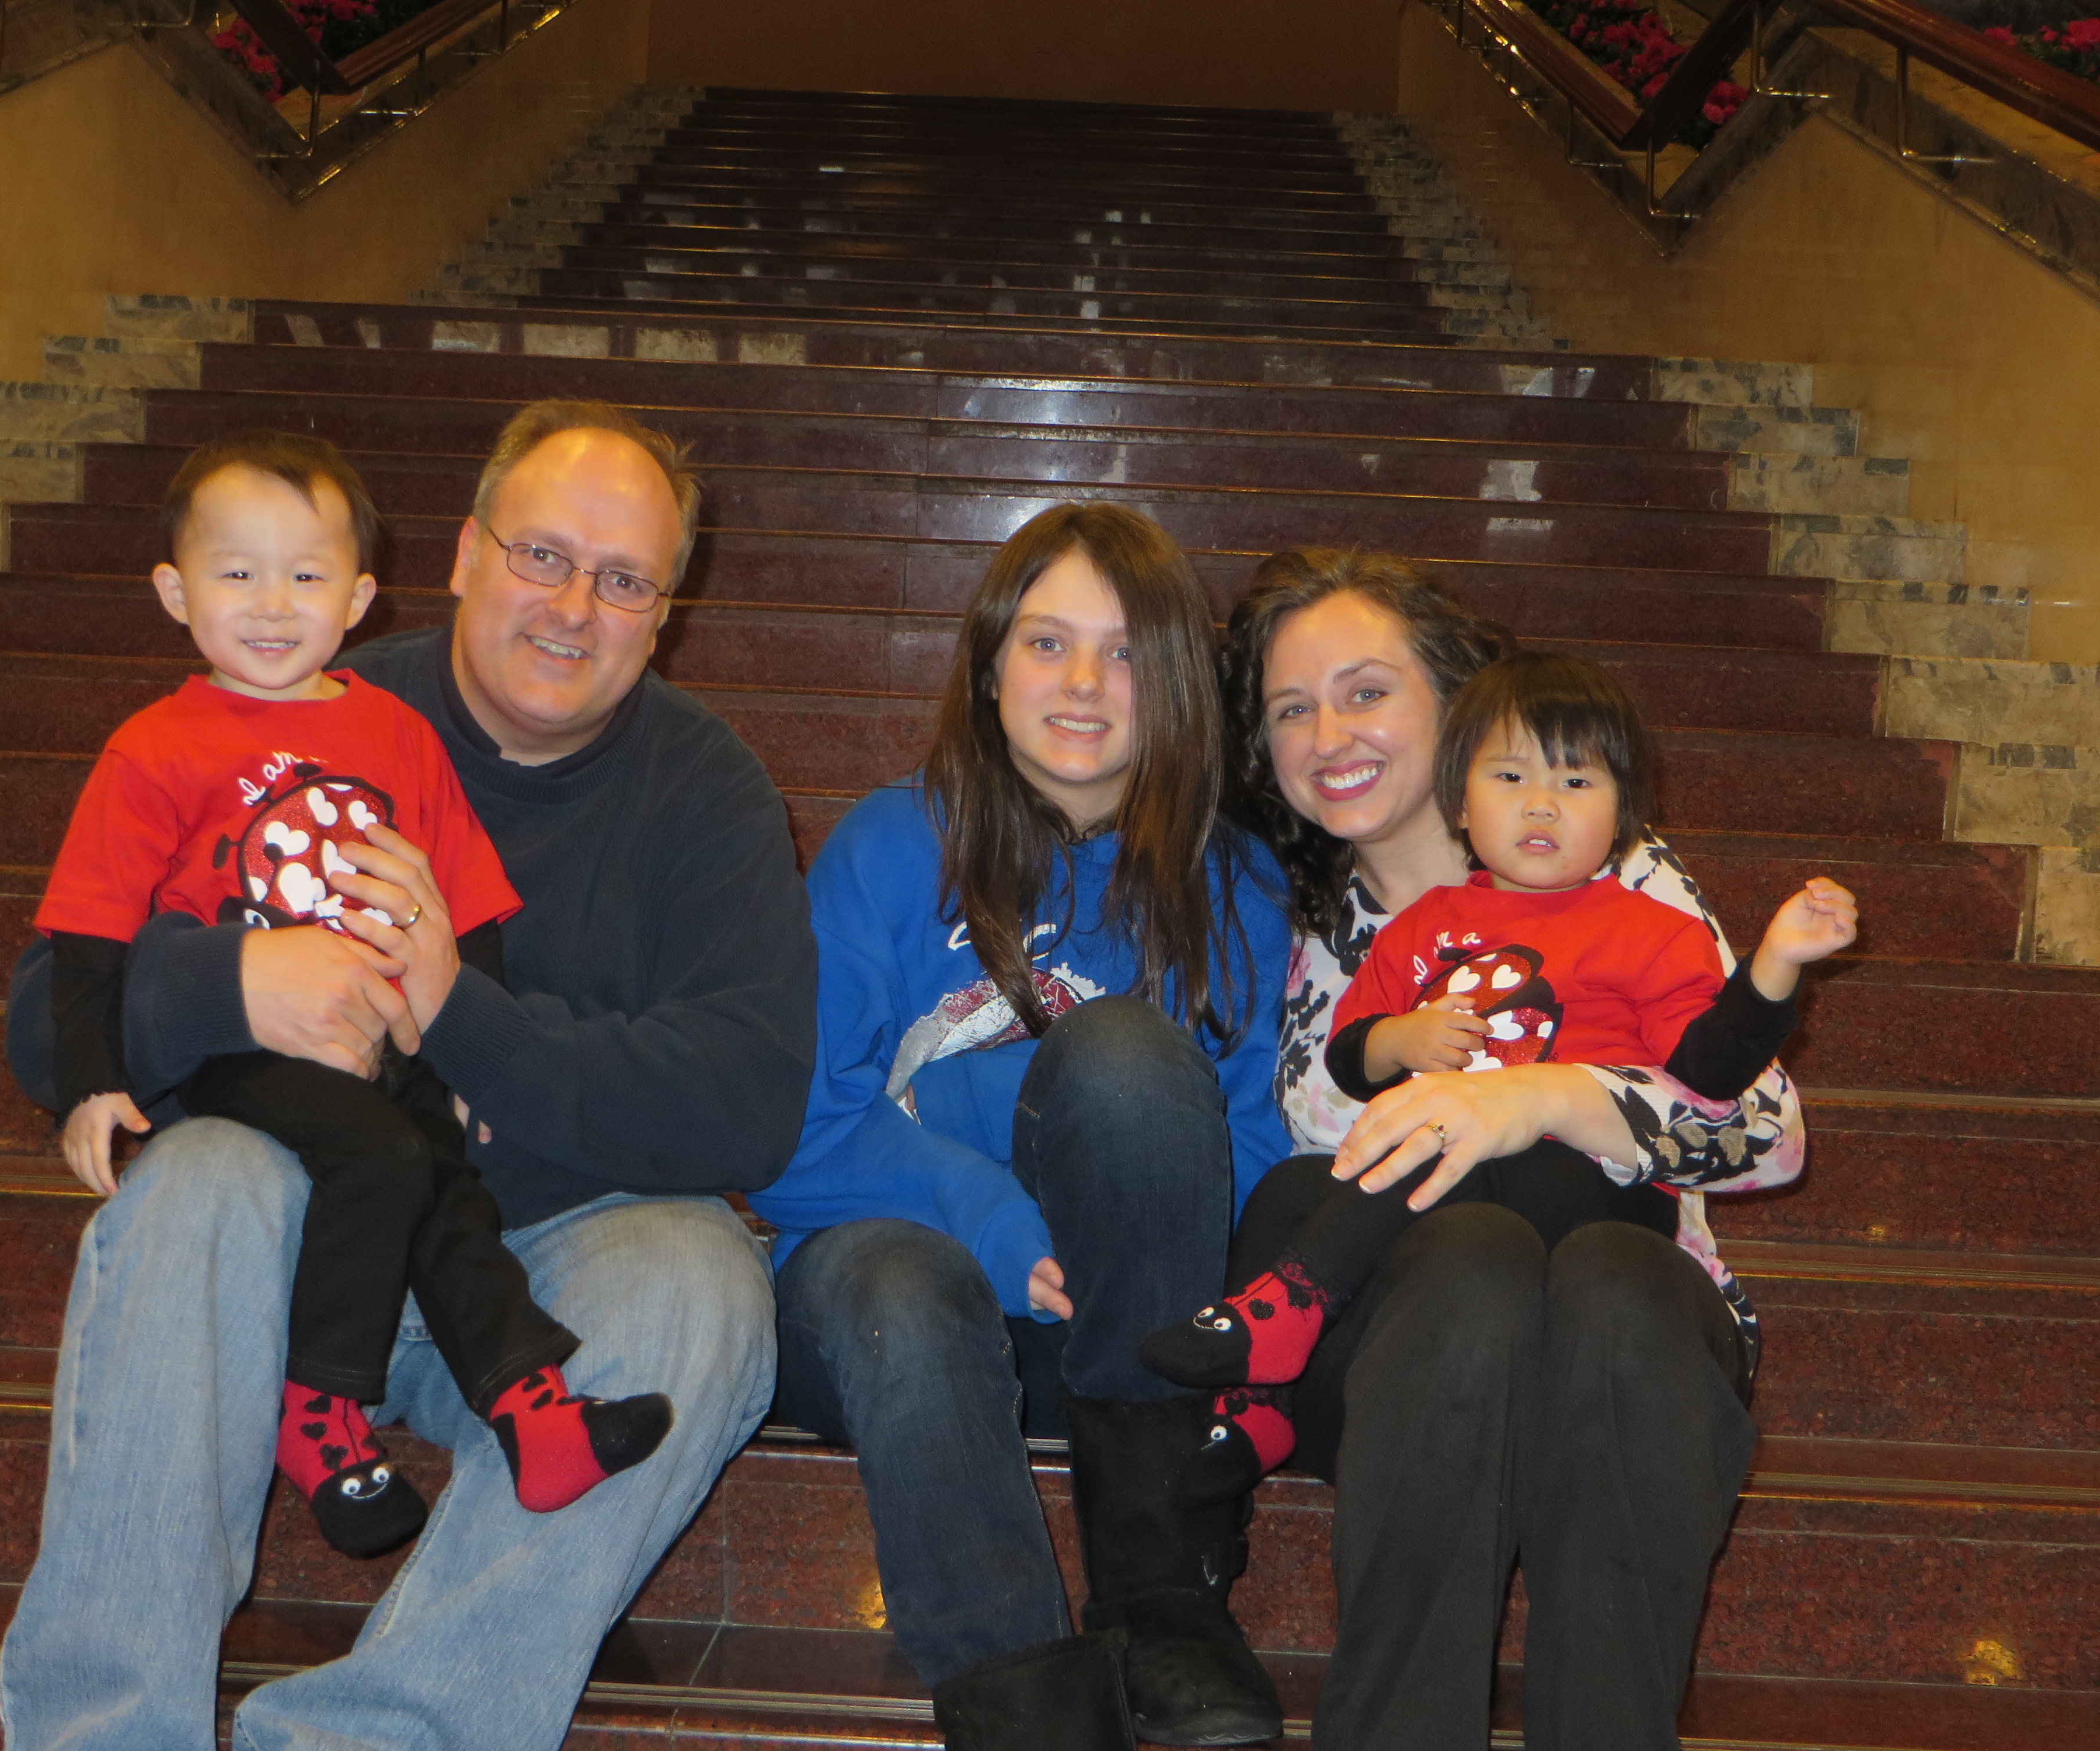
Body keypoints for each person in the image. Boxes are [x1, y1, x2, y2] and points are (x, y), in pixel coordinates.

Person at [0, 400, 815, 1751]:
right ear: (464, 554)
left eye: (622, 581)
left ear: (664, 615)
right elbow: (47, 1023)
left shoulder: (708, 791)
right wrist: (234, 984)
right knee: (196, 1180)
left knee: (705, 1284)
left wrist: (458, 1014)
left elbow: (748, 1103)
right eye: (541, 555)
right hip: (294, 1242)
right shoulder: (284, 695)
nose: (573, 608)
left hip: (531, 1273)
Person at [1211, 547, 1809, 1751]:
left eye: (1366, 691)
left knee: (1619, 1286)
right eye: (1290, 708)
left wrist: (1538, 1099)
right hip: (1401, 1342)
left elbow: (1766, 1133)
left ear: (1457, 705)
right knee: (1469, 1270)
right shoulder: (1288, 926)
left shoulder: (1616, 872)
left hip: (1618, 1309)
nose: (1329, 733)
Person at [40, 430, 673, 1560]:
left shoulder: (395, 734)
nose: (272, 605)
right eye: (238, 573)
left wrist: (469, 1062)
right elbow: (89, 934)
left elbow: (465, 915)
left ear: (359, 600)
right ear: (176, 593)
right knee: (383, 1159)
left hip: (384, 1042)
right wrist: (91, 1083)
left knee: (449, 1188)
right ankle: (319, 1409)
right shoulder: (154, 749)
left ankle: (534, 1413)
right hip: (240, 1056)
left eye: (306, 575)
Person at [751, 503, 1294, 1751]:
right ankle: (1029, 1716)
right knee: (908, 1284)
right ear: (990, 663)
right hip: (880, 1311)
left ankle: (1158, 1593)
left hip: (1119, 1335)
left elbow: (1252, 1149)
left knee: (1126, 1057)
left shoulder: (1237, 885)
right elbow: (792, 1137)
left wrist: (1157, 1273)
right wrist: (990, 1216)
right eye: (1048, 643)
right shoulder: (891, 844)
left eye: (1125, 652)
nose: (1084, 684)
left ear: (1177, 685)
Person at [1140, 651, 1855, 1498]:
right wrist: (1403, 1039)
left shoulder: (1649, 929)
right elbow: (1351, 1056)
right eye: (1510, 776)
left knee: (1458, 1157)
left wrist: (1774, 968)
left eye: (1577, 782)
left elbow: (1710, 1067)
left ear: (1624, 813)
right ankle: (1256, 1405)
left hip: (1591, 1190)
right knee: (1291, 1188)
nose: (1541, 804)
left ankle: (1293, 1303)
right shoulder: (1425, 925)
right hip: (1454, 1205)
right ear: (1459, 801)